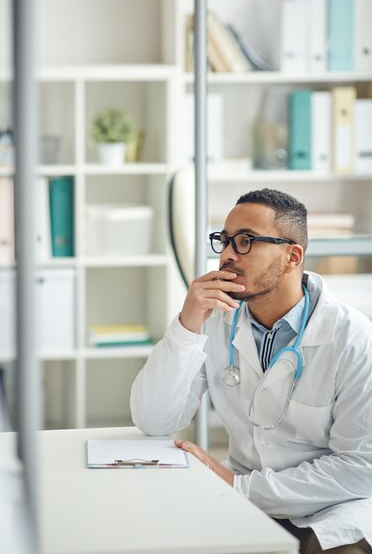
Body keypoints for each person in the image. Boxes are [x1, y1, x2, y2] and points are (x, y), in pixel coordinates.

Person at [130, 188, 372, 554]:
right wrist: (186, 326)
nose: (227, 255)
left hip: (332, 505)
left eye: (245, 241)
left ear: (293, 256)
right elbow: (153, 421)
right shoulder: (214, 320)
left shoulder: (353, 338)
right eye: (224, 240)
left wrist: (240, 487)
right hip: (241, 492)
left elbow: (360, 467)